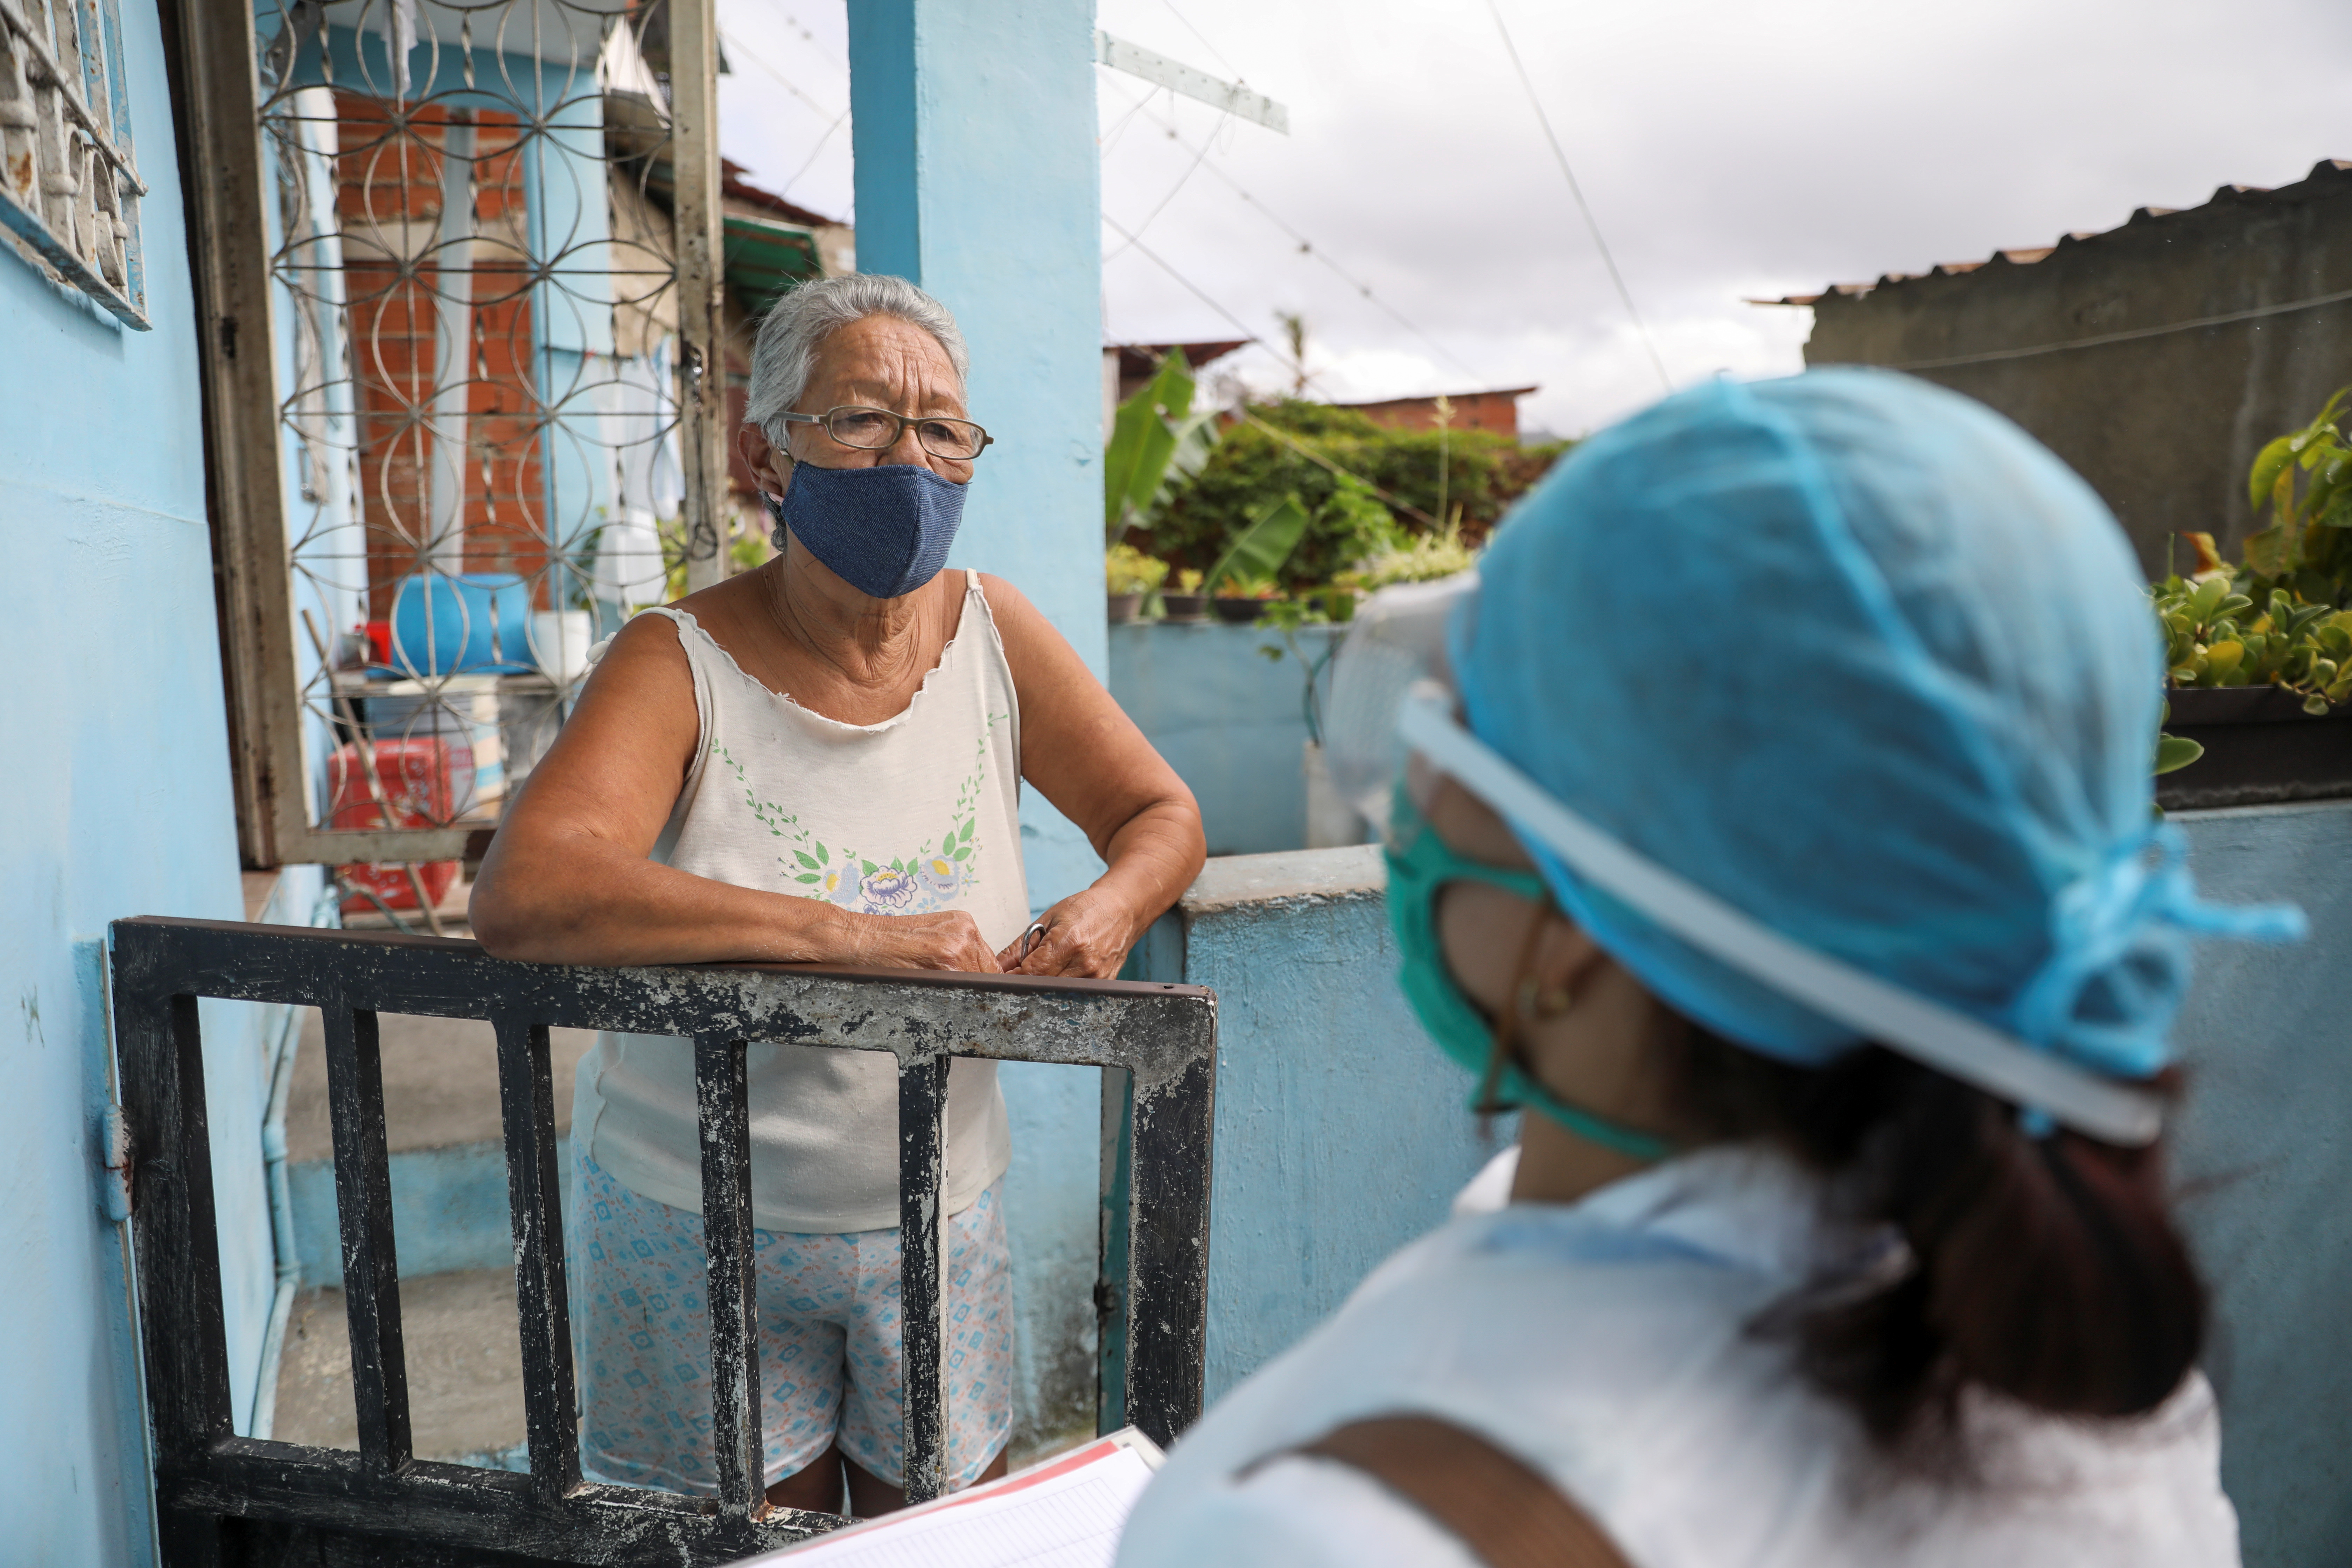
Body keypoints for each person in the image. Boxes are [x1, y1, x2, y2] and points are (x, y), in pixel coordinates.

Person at [1113, 370, 2297, 1567]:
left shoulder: (1344, 1533)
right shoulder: (2075, 1363)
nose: (1407, 806)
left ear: (1583, 926)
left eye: (1454, 729)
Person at [470, 273, 1205, 1516]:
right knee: (758, 1546)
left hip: (938, 1209)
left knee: (942, 1535)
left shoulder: (993, 632)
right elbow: (530, 891)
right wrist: (851, 943)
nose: (908, 461)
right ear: (766, 453)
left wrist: (1112, 907)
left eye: (941, 431)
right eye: (860, 420)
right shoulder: (676, 659)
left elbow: (1161, 817)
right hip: (694, 1218)